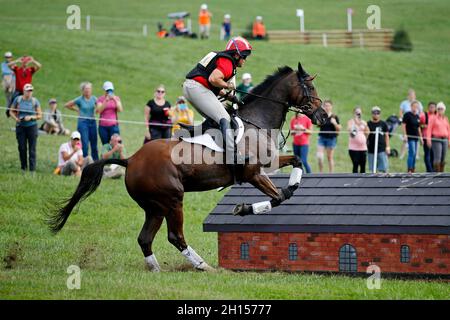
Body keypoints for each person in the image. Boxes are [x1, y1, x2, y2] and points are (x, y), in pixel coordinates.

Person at [183, 36, 252, 167]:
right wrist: (228, 86)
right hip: (197, 88)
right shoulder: (227, 62)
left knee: (216, 118)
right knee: (224, 117)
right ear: (236, 55)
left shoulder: (222, 58)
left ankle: (194, 133)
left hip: (192, 88)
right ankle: (233, 157)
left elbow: (211, 84)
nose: (245, 60)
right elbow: (214, 79)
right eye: (244, 56)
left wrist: (229, 96)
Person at [9, 83, 42, 172]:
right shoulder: (18, 99)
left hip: (32, 127)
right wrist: (16, 119)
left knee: (32, 149)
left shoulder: (35, 101)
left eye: (31, 91)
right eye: (28, 91)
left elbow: (39, 115)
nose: (29, 93)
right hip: (20, 127)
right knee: (22, 148)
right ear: (24, 91)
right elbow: (11, 111)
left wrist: (31, 117)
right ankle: (23, 168)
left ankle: (32, 170)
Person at [64, 82, 99, 161]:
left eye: (89, 89)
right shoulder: (79, 99)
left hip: (92, 122)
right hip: (83, 123)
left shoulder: (94, 98)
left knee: (94, 144)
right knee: (85, 144)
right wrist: (77, 109)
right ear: (82, 90)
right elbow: (67, 105)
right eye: (86, 89)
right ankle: (84, 162)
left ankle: (96, 161)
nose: (87, 91)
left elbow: (98, 108)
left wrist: (97, 110)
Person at [317, 100, 341, 173]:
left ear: (331, 107)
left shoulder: (334, 117)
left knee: (329, 157)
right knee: (319, 156)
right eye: (325, 106)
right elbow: (317, 124)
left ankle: (331, 174)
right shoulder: (322, 116)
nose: (327, 107)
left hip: (331, 139)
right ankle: (320, 173)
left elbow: (339, 129)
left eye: (328, 106)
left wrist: (334, 123)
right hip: (322, 138)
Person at [399, 89, 423, 159]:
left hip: (415, 122)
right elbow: (400, 113)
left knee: (416, 138)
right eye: (410, 95)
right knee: (406, 139)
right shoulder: (404, 103)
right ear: (408, 96)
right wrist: (404, 119)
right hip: (407, 123)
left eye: (413, 95)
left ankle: (416, 155)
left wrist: (418, 120)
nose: (412, 97)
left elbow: (421, 113)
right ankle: (402, 154)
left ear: (415, 96)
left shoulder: (419, 103)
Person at [426, 102, 450, 172]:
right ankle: (436, 173)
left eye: (441, 109)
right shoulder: (433, 118)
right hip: (436, 139)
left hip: (444, 139)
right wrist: (428, 140)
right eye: (438, 109)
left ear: (444, 110)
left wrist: (449, 140)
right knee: (437, 157)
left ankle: (441, 172)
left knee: (443, 157)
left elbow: (448, 130)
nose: (440, 110)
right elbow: (429, 129)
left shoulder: (445, 119)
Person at [367, 106, 390, 173]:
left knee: (384, 168)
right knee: (372, 169)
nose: (376, 114)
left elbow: (386, 136)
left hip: (381, 149)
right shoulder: (368, 124)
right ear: (372, 113)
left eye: (378, 113)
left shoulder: (383, 124)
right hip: (371, 149)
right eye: (374, 113)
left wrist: (388, 147)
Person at [402, 101, 422, 173]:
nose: (415, 108)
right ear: (411, 106)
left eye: (416, 107)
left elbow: (418, 128)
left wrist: (421, 138)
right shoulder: (407, 115)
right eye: (414, 106)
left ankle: (413, 168)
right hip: (410, 137)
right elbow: (403, 125)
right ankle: (409, 168)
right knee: (412, 152)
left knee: (415, 154)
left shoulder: (417, 116)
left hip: (416, 137)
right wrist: (405, 135)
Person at [347, 107, 369, 173]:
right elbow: (349, 130)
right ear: (354, 113)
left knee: (363, 166)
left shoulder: (363, 122)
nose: (358, 114)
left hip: (363, 148)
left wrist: (364, 125)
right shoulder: (351, 122)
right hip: (353, 148)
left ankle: (363, 181)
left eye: (359, 112)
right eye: (357, 112)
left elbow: (367, 132)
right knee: (355, 164)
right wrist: (356, 123)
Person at [420, 102, 437, 172]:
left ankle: (433, 168)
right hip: (425, 137)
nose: (432, 108)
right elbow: (418, 125)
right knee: (427, 154)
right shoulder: (424, 115)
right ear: (428, 107)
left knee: (433, 154)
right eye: (430, 107)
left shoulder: (437, 116)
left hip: (435, 138)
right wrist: (424, 126)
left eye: (433, 107)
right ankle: (429, 170)